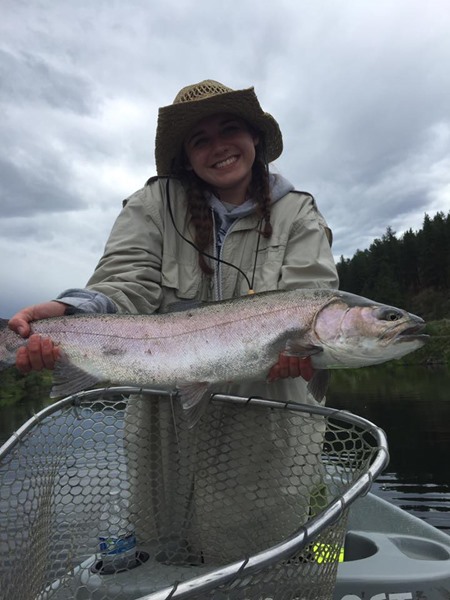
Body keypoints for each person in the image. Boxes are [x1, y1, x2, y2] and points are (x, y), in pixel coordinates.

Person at [9, 80, 339, 565]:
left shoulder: (297, 212)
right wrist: (71, 311)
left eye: (230, 129)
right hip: (162, 426)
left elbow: (310, 296)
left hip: (265, 428)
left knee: (257, 558)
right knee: (166, 558)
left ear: (255, 139)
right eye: (200, 139)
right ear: (186, 156)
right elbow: (125, 283)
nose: (219, 146)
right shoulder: (153, 205)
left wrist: (305, 351)